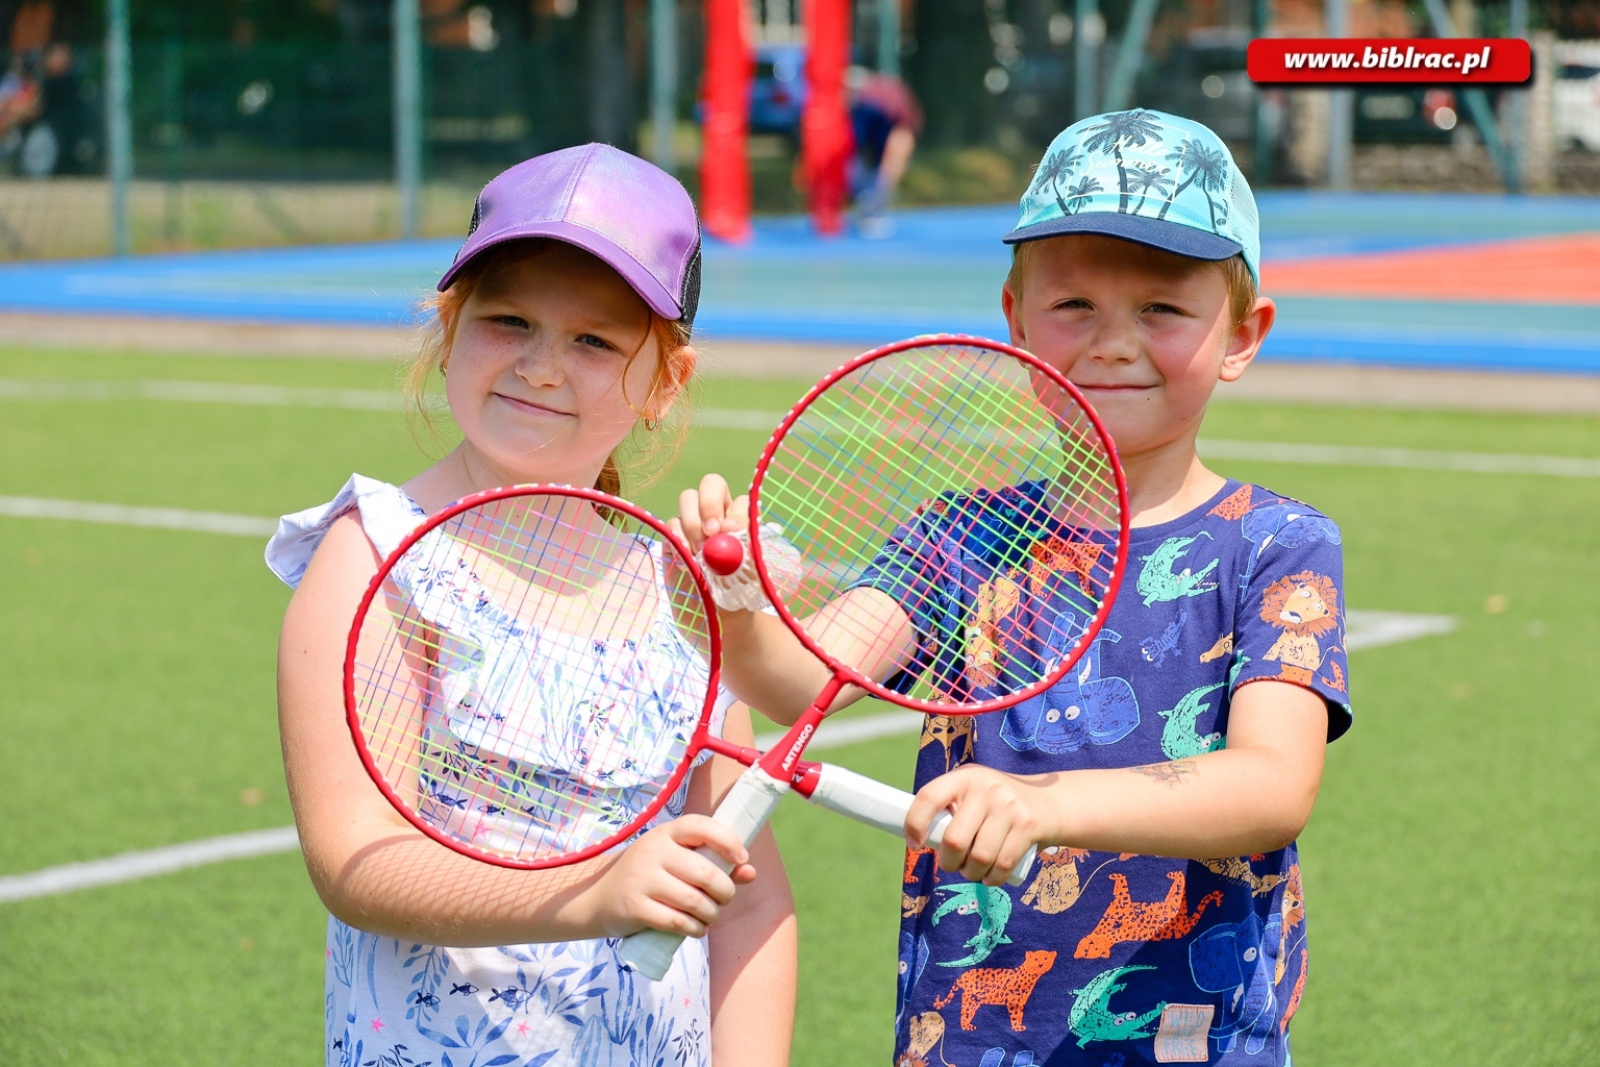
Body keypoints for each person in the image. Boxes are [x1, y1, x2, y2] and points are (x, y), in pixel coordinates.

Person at [676, 109, 1350, 1064]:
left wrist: (1047, 805)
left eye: (1161, 308)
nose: (1113, 341)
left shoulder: (1277, 545)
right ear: (1016, 320)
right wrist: (737, 608)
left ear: (1243, 334)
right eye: (1074, 305)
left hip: (1201, 1042)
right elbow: (803, 681)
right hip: (967, 1037)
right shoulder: (963, 537)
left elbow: (1271, 786)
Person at [267, 144, 797, 1067]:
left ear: (666, 382)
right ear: (450, 327)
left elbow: (745, 889)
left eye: (594, 340)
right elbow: (356, 860)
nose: (542, 368)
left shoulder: (682, 589)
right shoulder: (377, 554)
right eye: (509, 321)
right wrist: (595, 889)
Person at [847, 67, 922, 238]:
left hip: (880, 120)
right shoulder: (898, 108)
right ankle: (872, 205)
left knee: (868, 160)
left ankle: (870, 204)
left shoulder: (890, 102)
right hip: (881, 119)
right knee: (883, 161)